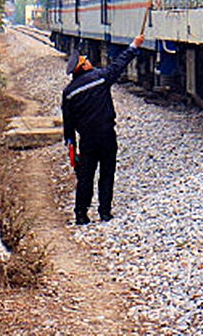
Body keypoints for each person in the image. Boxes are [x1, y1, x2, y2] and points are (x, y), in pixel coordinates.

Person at [61, 34, 144, 225]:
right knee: (107, 174)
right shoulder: (100, 78)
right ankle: (105, 213)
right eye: (85, 61)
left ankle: (81, 215)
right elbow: (119, 65)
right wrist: (134, 46)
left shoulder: (69, 93)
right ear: (82, 67)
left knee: (85, 177)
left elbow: (68, 124)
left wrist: (71, 145)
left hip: (87, 140)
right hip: (107, 136)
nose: (89, 61)